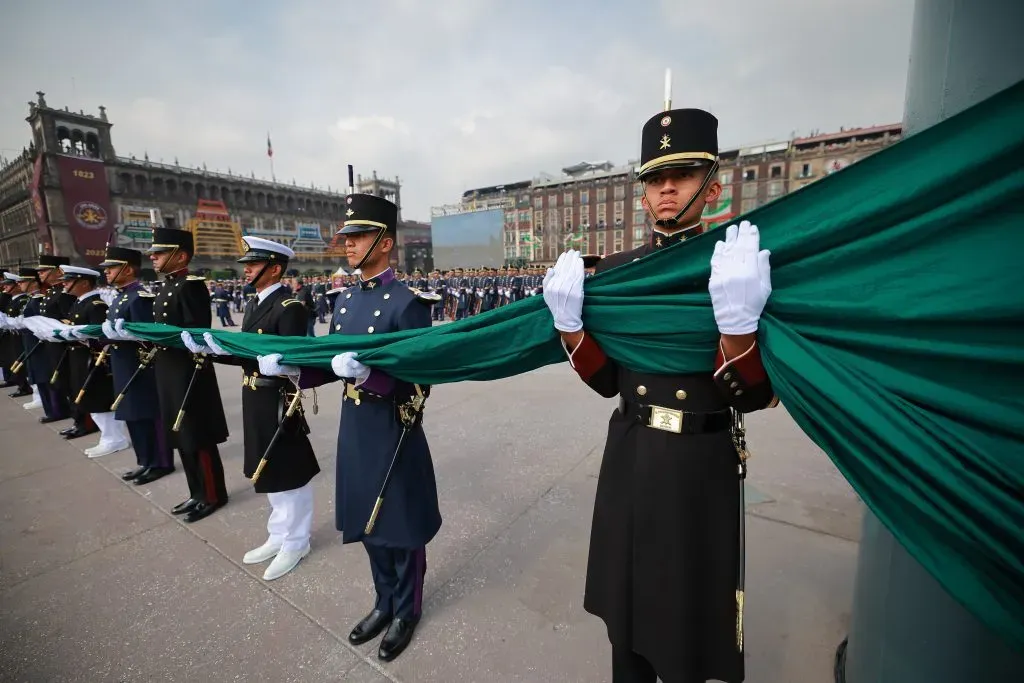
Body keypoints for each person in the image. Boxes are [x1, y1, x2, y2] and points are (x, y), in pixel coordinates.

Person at [541, 106, 777, 683]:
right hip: (634, 455)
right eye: (653, 178)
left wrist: (740, 328)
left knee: (688, 625)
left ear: (713, 186)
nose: (666, 187)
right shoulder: (619, 272)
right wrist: (571, 327)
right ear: (642, 194)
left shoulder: (736, 266)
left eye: (683, 175)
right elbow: (605, 383)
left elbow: (754, 396)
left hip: (700, 463)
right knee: (630, 628)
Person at [258, 191, 441, 661]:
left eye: (358, 235)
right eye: (346, 236)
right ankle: (383, 599)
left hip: (392, 426)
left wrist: (372, 377)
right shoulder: (342, 301)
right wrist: (293, 369)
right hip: (356, 426)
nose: (348, 244)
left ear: (385, 242)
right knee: (367, 520)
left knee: (400, 523)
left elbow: (421, 379)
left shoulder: (408, 303)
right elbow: (329, 364)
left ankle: (406, 609)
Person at [183, 236, 320, 580]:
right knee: (266, 467)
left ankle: (296, 540)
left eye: (253, 265)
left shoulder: (289, 307)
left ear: (275, 268)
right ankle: (279, 534)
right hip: (254, 396)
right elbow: (250, 357)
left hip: (277, 398)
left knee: (289, 471)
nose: (246, 271)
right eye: (246, 265)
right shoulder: (257, 303)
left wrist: (284, 365)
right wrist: (218, 350)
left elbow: (294, 360)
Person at [136, 227, 229, 520]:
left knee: (196, 435)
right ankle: (195, 492)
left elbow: (196, 333)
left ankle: (212, 494)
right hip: (168, 370)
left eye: (160, 253)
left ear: (181, 255)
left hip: (189, 371)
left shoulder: (191, 285)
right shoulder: (165, 285)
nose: (153, 257)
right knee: (180, 435)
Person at [98, 246, 175, 476]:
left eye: (111, 268)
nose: (107, 273)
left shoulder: (139, 297)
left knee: (149, 416)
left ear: (128, 269)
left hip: (140, 366)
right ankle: (145, 461)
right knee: (132, 414)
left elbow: (147, 338)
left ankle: (160, 462)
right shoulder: (121, 297)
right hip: (122, 363)